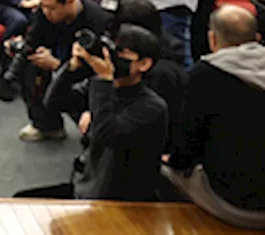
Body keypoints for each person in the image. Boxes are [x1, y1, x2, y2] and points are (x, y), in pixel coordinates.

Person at [163, 5, 265, 229]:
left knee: (163, 170)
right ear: (257, 38)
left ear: (212, 39)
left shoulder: (203, 76)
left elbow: (185, 146)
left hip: (236, 205)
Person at [15, 25, 167, 201]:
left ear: (144, 63)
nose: (111, 58)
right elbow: (53, 103)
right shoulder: (102, 87)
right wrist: (72, 68)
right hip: (89, 188)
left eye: (121, 53)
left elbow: (105, 133)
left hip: (120, 201)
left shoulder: (152, 107)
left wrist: (104, 81)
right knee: (22, 201)